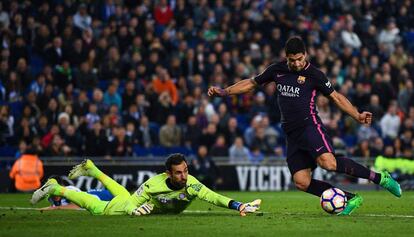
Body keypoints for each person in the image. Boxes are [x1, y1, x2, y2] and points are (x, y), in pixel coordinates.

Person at [207, 36, 401, 216]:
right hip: (291, 134)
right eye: (292, 60)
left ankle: (380, 178)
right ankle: (350, 198)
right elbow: (251, 83)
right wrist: (225, 91)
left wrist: (357, 115)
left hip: (310, 126)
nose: (297, 63)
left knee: (329, 163)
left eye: (300, 58)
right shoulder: (277, 70)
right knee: (301, 182)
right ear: (287, 57)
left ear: (305, 54)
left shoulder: (315, 74)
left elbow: (336, 97)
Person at [31, 153, 261, 216]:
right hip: (123, 205)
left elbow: (214, 197)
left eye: (186, 171)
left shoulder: (191, 184)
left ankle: (91, 167)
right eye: (179, 173)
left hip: (128, 197)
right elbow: (132, 202)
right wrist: (132, 210)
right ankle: (56, 187)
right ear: (167, 174)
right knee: (98, 208)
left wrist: (238, 205)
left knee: (119, 191)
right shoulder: (153, 184)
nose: (184, 176)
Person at [42, 175, 114, 210]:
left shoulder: (69, 190)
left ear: (60, 186)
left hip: (104, 196)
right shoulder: (50, 198)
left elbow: (77, 206)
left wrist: (56, 208)